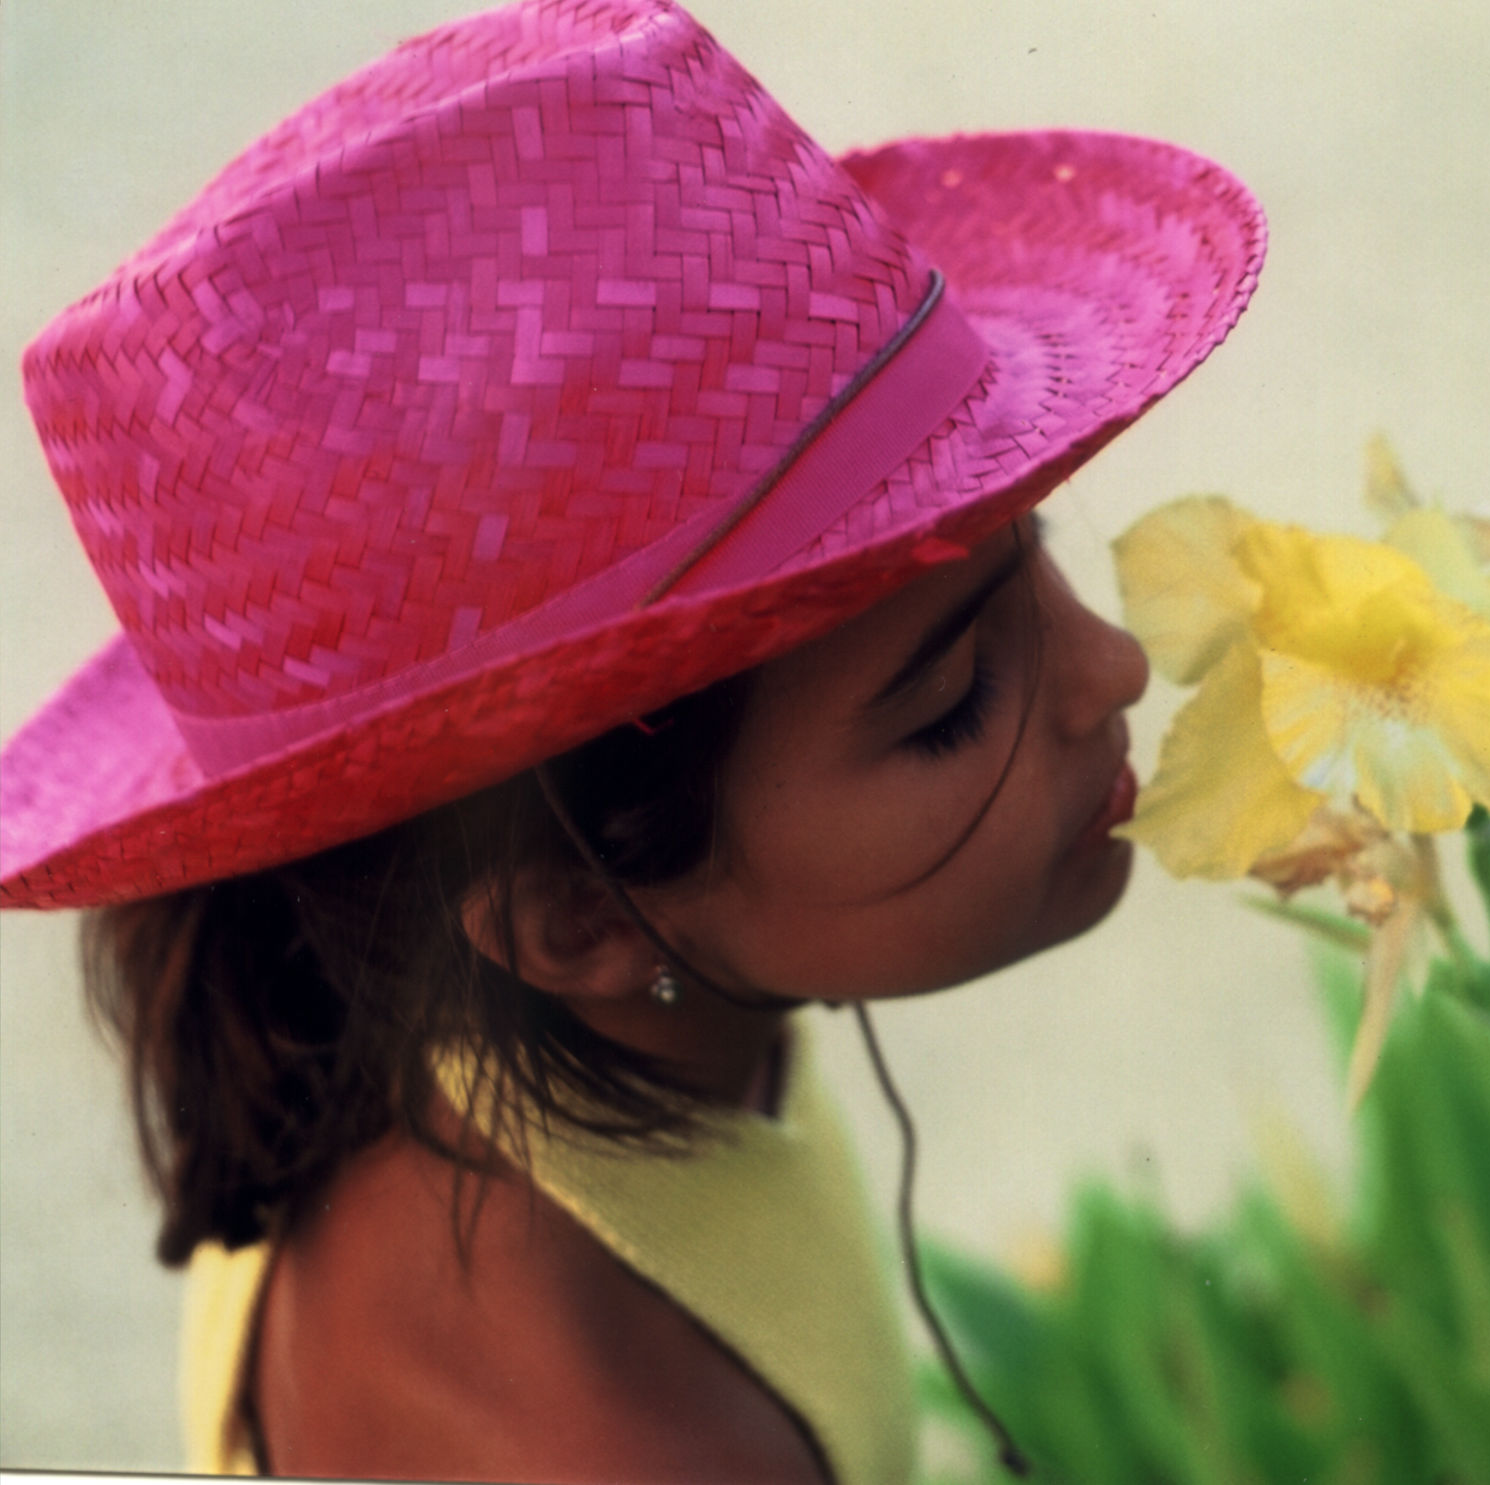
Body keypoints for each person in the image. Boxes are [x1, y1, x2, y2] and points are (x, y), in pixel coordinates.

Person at [0, 0, 1265, 1479]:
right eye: (952, 704)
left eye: (1027, 543)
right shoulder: (637, 1440)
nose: (1112, 665)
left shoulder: (432, 1014)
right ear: (575, 912)